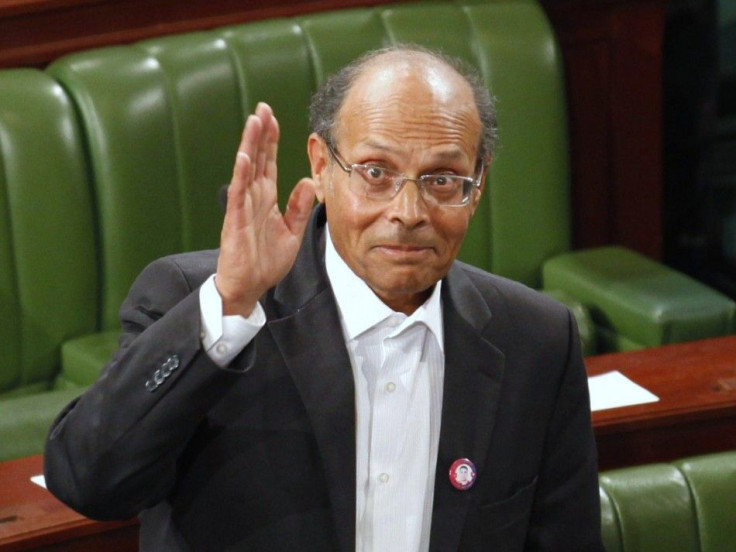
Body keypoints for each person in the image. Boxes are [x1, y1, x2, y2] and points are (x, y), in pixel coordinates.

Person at [44, 45, 603, 551]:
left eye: (442, 180)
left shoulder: (535, 340)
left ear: (477, 185)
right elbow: (89, 481)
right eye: (376, 172)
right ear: (320, 165)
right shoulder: (204, 304)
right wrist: (230, 305)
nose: (408, 213)